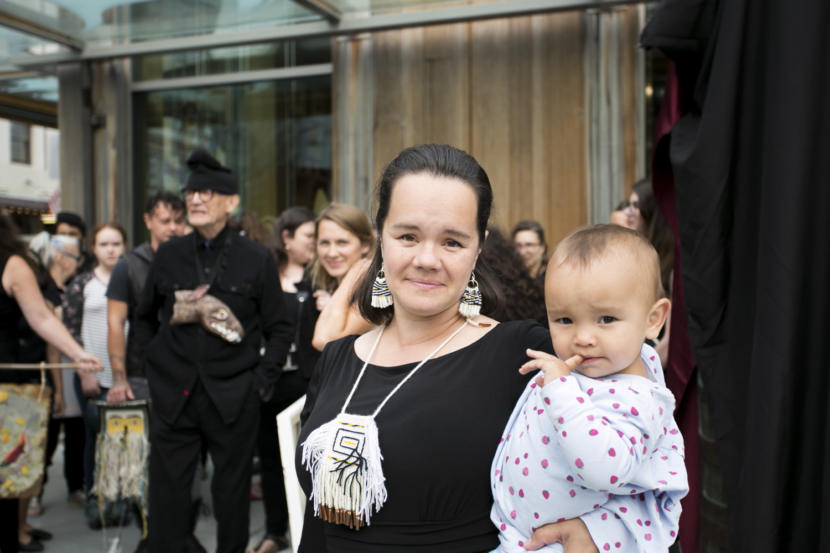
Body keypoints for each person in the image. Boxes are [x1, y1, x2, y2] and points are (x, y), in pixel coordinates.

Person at [295, 144, 658, 552]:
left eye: (452, 242)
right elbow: (316, 518)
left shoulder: (524, 355)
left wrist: (601, 532)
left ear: (479, 246)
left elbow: (647, 453)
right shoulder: (337, 358)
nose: (427, 259)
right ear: (381, 235)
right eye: (408, 236)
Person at [133, 148, 293, 553]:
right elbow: (144, 317)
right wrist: (154, 365)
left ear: (231, 201)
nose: (195, 200)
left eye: (205, 192)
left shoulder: (255, 258)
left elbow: (279, 327)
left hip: (233, 397)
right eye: (190, 193)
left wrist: (260, 382)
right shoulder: (167, 254)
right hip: (174, 396)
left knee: (232, 498)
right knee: (167, 500)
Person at [491, 224, 688, 552]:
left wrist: (560, 391)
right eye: (565, 320)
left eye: (606, 319)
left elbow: (604, 470)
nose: (582, 337)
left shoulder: (639, 399)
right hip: (518, 536)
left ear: (654, 319)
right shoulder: (600, 368)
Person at [0, 213, 103, 553]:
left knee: (14, 468)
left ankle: (15, 534)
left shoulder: (13, 263)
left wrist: (78, 354)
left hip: (12, 386)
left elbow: (41, 316)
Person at [250, 206, 317, 553]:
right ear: (287, 237)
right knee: (271, 462)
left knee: (306, 460)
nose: (316, 244)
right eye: (310, 236)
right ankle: (276, 531)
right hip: (271, 381)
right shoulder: (265, 274)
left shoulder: (319, 279)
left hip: (306, 385)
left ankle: (308, 530)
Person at [61, 223, 128, 525]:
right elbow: (70, 332)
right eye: (104, 244)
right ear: (94, 249)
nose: (111, 249)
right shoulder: (82, 284)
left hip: (127, 375)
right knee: (95, 438)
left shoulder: (132, 279)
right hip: (94, 374)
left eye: (116, 243)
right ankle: (95, 497)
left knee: (126, 439)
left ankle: (123, 498)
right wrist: (83, 371)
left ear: (124, 246)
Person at [106, 191, 187, 403]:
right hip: (143, 372)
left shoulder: (192, 263)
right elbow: (115, 323)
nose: (172, 228)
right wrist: (119, 378)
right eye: (165, 221)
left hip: (187, 371)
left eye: (178, 221)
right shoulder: (128, 266)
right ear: (148, 220)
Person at [308, 203, 375, 350]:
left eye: (342, 242)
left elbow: (324, 341)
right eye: (324, 243)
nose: (332, 253)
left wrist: (353, 276)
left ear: (365, 245)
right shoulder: (328, 284)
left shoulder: (377, 288)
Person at [625, 178, 675, 364]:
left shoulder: (672, 267)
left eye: (636, 205)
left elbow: (670, 344)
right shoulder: (635, 256)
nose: (629, 213)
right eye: (629, 205)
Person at [480, 226, 546, 324]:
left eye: (529, 245)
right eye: (518, 246)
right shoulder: (515, 284)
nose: (523, 251)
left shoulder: (543, 284)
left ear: (542, 248)